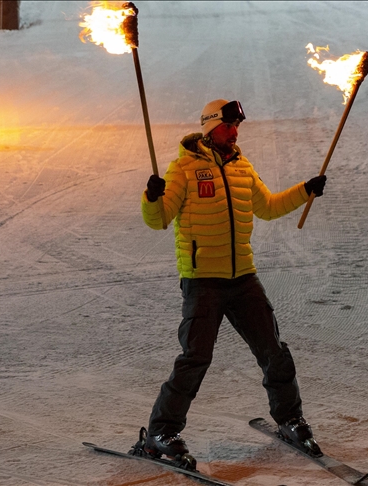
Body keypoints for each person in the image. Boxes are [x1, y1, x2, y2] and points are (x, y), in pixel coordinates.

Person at [140, 99, 327, 461]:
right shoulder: (184, 169)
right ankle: (161, 433)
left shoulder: (241, 167)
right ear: (211, 127)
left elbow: (268, 206)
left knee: (273, 350)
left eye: (237, 125)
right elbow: (158, 219)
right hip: (203, 280)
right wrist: (151, 196)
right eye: (228, 126)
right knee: (195, 358)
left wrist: (306, 189)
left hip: (243, 277)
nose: (235, 132)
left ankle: (290, 419)